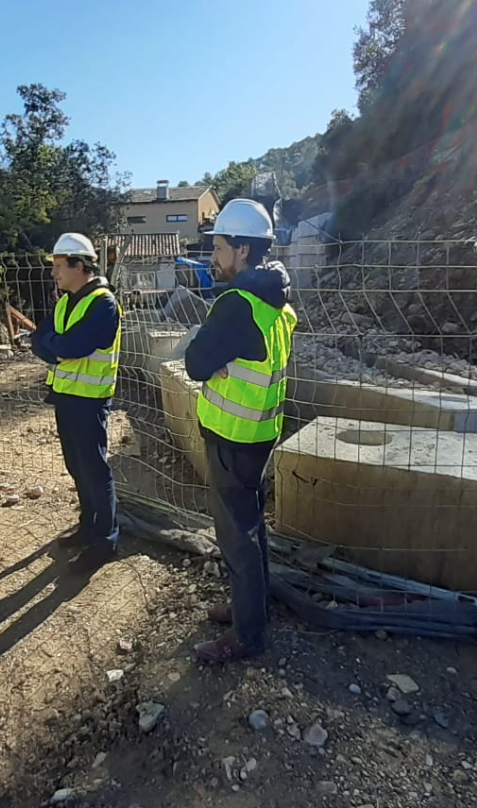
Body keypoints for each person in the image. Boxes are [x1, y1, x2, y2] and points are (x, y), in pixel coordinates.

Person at [184, 199, 296, 664]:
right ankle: (251, 605)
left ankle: (248, 636)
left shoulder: (236, 305)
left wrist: (212, 364)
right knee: (250, 529)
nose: (214, 255)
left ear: (243, 251)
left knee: (236, 536)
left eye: (220, 246)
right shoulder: (276, 300)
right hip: (260, 431)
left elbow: (194, 364)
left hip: (232, 437)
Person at [31, 233, 122, 573]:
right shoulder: (67, 300)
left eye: (58, 266)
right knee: (76, 466)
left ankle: (105, 540)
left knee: (95, 471)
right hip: (67, 396)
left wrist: (54, 346)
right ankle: (88, 526)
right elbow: (37, 340)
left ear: (79, 265)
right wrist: (55, 345)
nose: (53, 273)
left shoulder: (103, 303)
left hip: (89, 400)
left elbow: (74, 345)